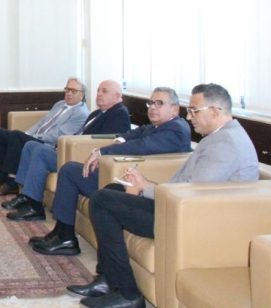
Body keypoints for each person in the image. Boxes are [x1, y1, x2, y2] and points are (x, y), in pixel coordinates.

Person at [68, 83, 258, 308]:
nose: (189, 116)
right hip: (179, 207)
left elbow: (192, 194)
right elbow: (188, 188)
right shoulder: (220, 136)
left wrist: (145, 188)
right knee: (111, 190)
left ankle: (127, 293)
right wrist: (143, 186)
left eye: (194, 111)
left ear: (215, 112)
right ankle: (108, 278)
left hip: (190, 219)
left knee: (102, 201)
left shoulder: (225, 144)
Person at [31, 86, 191, 256]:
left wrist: (102, 152)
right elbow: (134, 134)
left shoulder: (176, 129)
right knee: (69, 170)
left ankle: (65, 237)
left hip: (134, 182)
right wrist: (118, 141)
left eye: (159, 103)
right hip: (121, 172)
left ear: (174, 109)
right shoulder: (158, 126)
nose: (152, 107)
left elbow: (142, 145)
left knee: (70, 171)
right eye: (151, 103)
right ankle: (61, 232)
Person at [3, 80, 132, 222]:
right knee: (31, 145)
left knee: (39, 151)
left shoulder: (119, 114)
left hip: (81, 156)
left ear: (118, 96)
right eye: (98, 91)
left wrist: (69, 144)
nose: (99, 94)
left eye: (104, 91)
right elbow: (79, 134)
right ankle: (25, 196)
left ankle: (35, 207)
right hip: (69, 149)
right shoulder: (97, 113)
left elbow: (108, 142)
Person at [0, 78, 89, 196]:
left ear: (82, 95)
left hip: (47, 143)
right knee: (0, 133)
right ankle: (0, 176)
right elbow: (42, 122)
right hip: (36, 136)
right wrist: (27, 133)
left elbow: (58, 136)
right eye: (67, 89)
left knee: (16, 136)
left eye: (73, 91)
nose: (69, 93)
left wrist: (34, 136)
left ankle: (12, 184)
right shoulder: (60, 104)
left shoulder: (81, 113)